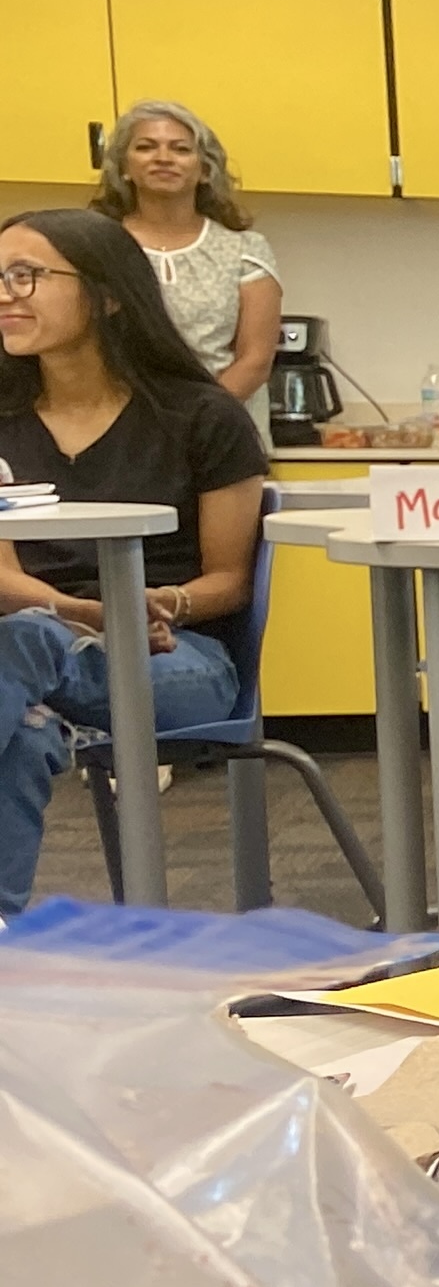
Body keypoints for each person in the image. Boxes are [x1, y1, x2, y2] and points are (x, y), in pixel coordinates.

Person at [0, 207, 270, 915]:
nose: (6, 294)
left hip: (177, 654)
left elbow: (229, 582)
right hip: (32, 647)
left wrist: (156, 604)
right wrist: (87, 613)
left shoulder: (203, 416)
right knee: (23, 726)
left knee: (21, 644)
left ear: (109, 294)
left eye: (26, 275)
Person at [95, 101, 280, 403]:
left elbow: (255, 361)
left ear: (205, 170)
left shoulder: (244, 250)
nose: (163, 158)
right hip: (117, 419)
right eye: (146, 147)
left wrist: (199, 420)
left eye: (181, 149)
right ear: (124, 168)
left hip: (223, 418)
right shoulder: (95, 246)